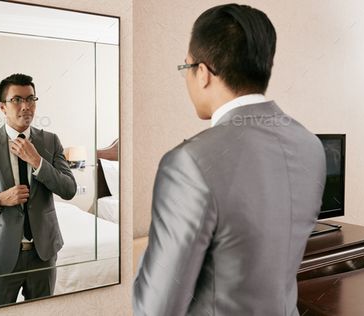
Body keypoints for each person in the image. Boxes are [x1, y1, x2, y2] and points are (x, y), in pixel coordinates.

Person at [133, 4, 326, 316]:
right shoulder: (310, 145)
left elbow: (158, 308)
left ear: (204, 73)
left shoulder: (188, 162)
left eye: (186, 69)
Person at [0, 73, 76, 308]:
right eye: (17, 100)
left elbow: (69, 190)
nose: (26, 106)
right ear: (2, 106)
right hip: (0, 256)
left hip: (44, 253)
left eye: (31, 99)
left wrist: (38, 161)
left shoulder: (51, 142)